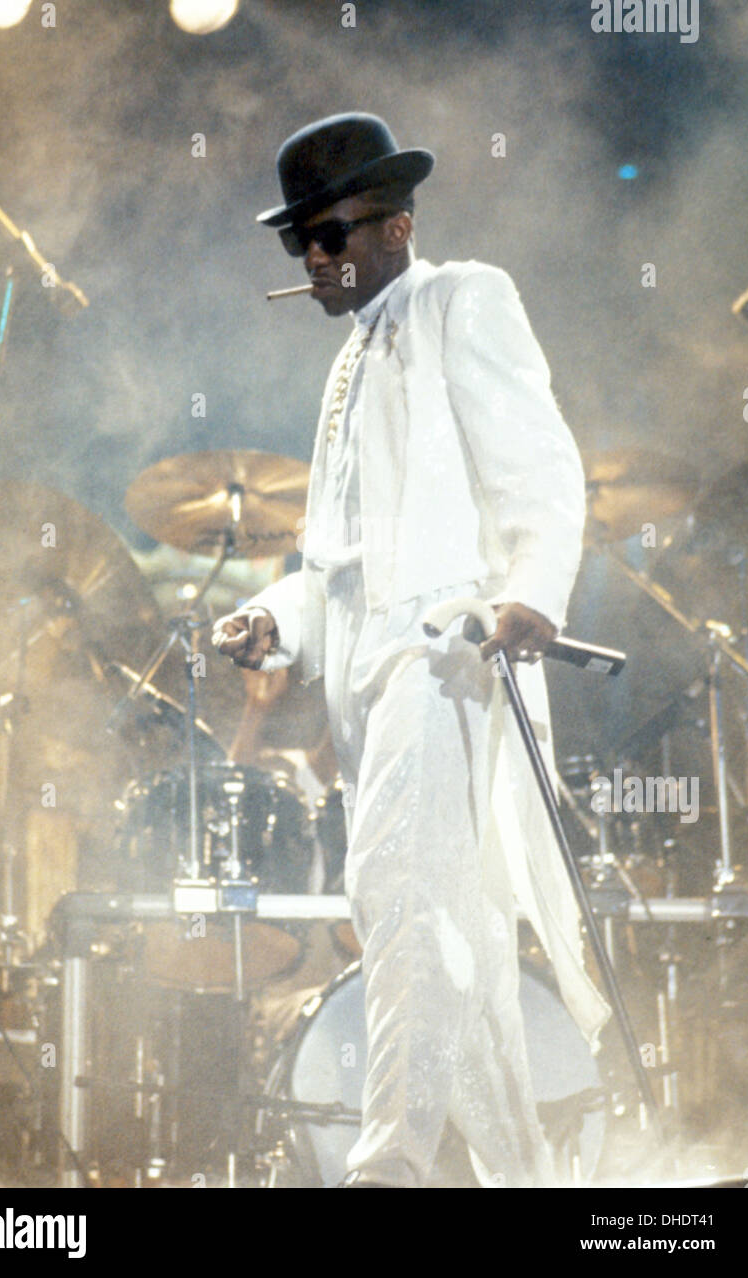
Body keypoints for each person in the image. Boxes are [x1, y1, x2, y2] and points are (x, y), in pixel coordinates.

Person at [213, 113, 610, 1188]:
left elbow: (538, 458)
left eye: (330, 233)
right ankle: (522, 1178)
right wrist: (277, 617)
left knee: (397, 894)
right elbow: (337, 556)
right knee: (448, 936)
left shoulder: (457, 298)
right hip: (368, 671)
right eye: (299, 241)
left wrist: (530, 587)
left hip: (444, 651)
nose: (315, 258)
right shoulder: (345, 367)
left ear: (394, 224)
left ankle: (384, 1167)